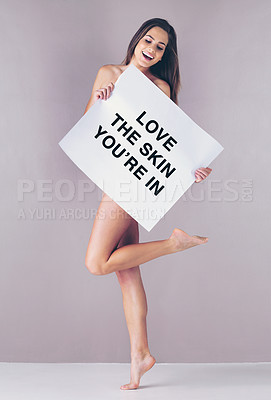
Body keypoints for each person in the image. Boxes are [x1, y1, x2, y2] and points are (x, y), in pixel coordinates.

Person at [82, 18, 212, 390]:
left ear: (163, 55)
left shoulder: (161, 86)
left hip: (131, 183)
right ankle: (141, 354)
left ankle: (175, 243)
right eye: (149, 40)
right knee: (126, 272)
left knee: (96, 263)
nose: (151, 49)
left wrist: (192, 169)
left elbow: (163, 139)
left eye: (159, 47)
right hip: (114, 177)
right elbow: (88, 128)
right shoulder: (109, 72)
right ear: (137, 39)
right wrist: (102, 100)